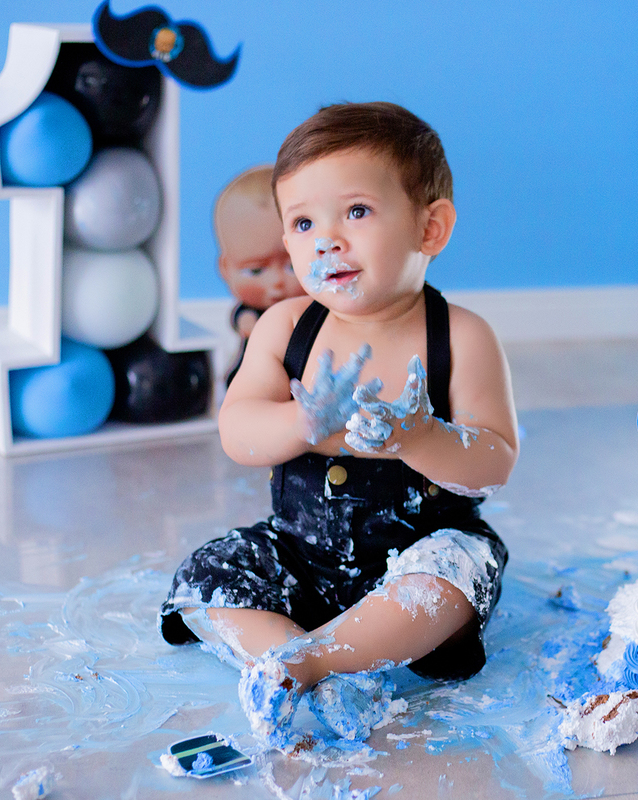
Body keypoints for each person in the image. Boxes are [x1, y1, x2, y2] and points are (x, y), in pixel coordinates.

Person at [160, 102, 519, 747]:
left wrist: (421, 438)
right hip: (303, 552)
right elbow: (238, 431)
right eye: (303, 222)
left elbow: (494, 460)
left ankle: (312, 660)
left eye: (356, 211)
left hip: (420, 549)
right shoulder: (286, 328)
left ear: (430, 227)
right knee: (205, 579)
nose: (326, 240)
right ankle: (310, 663)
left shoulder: (461, 336)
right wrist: (299, 421)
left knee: (455, 574)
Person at [213, 165, 304, 385]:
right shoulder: (252, 312)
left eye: (292, 266)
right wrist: (248, 324)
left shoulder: (310, 307)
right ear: (226, 269)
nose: (276, 282)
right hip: (252, 379)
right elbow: (241, 317)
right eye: (255, 270)